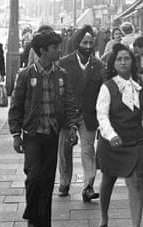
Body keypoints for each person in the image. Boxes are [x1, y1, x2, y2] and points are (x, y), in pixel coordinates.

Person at [8, 30, 78, 227]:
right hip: (32, 135)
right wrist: (15, 134)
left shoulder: (62, 75)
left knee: (47, 182)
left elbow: (68, 103)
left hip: (52, 134)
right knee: (34, 178)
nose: (59, 50)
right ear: (42, 50)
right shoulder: (27, 75)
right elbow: (16, 105)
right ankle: (31, 219)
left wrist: (72, 126)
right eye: (55, 47)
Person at [95, 44, 143, 227]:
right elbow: (102, 116)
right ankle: (104, 218)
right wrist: (111, 135)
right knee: (108, 180)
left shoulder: (142, 87)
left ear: (132, 62)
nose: (123, 62)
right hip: (112, 142)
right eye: (119, 59)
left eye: (127, 58)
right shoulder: (107, 87)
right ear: (114, 63)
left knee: (136, 183)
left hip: (135, 141)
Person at [57, 25, 104, 200]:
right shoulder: (64, 63)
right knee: (64, 149)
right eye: (85, 42)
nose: (88, 45)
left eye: (91, 42)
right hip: (67, 113)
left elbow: (103, 91)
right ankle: (64, 182)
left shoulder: (98, 65)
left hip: (89, 115)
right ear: (77, 43)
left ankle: (88, 186)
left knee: (88, 149)